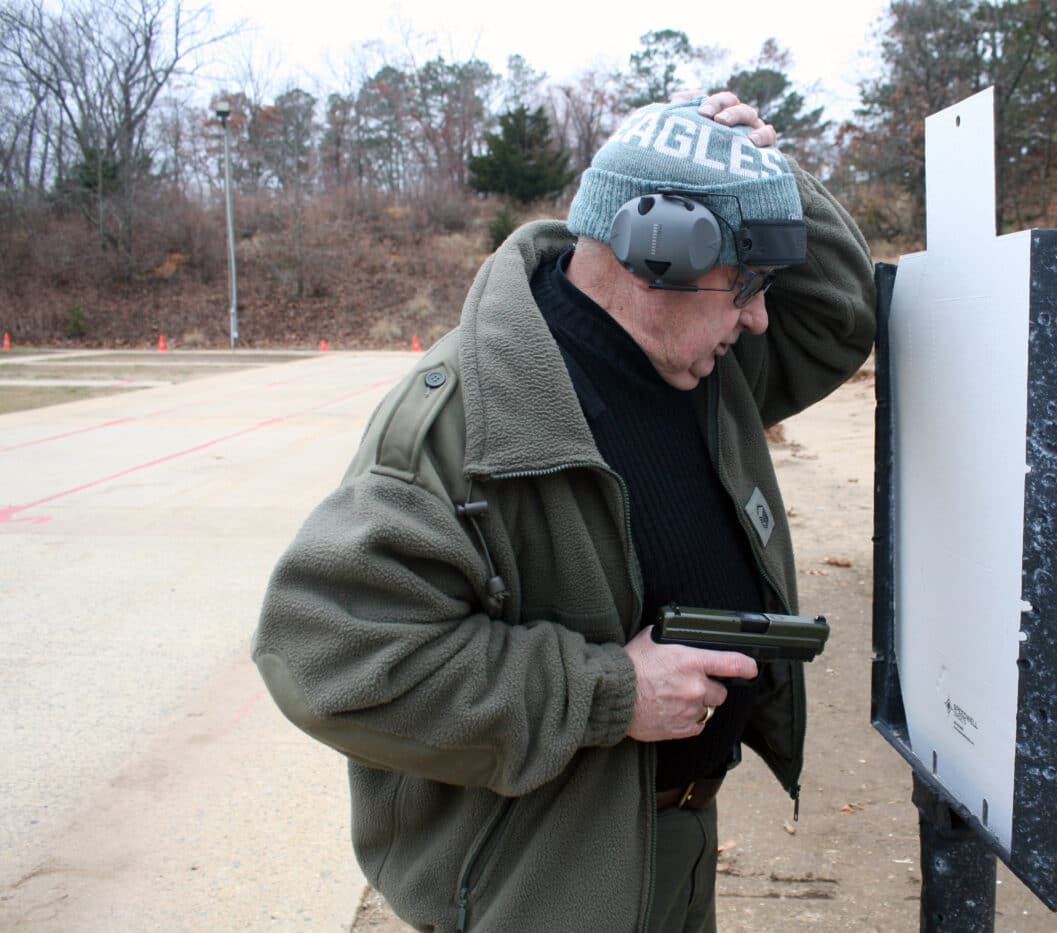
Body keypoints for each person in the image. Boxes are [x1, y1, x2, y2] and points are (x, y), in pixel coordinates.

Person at [252, 91, 876, 932]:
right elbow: (323, 655)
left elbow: (841, 314)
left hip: (674, 848)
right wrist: (610, 691)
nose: (762, 314)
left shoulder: (706, 363)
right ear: (656, 254)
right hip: (542, 886)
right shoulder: (466, 421)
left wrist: (762, 169)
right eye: (749, 281)